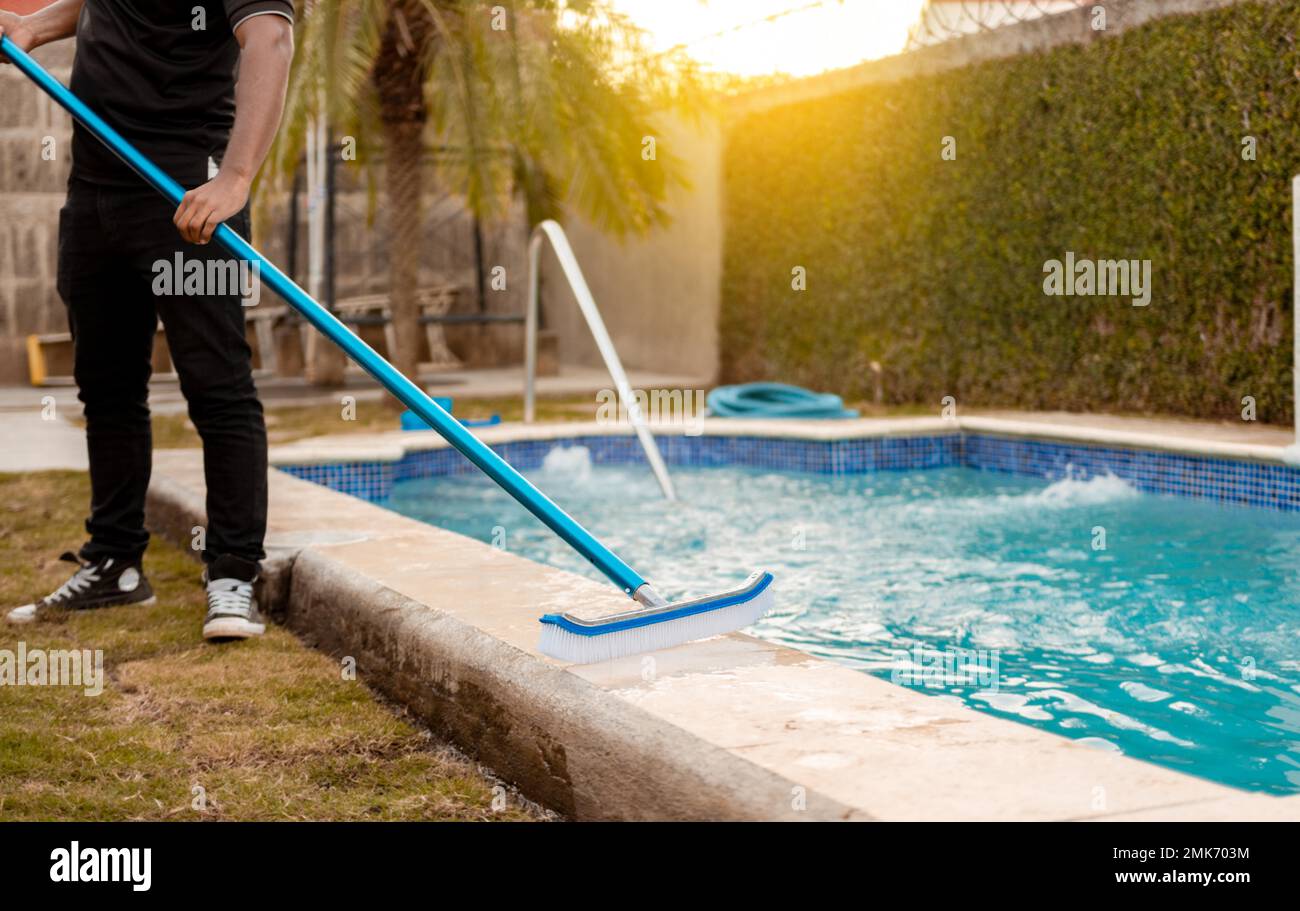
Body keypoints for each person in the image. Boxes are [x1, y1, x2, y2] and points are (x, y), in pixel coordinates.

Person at [1, 0, 294, 640]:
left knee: (217, 389)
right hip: (95, 194)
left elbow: (268, 40)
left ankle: (233, 576)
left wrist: (237, 178)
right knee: (106, 392)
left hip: (189, 196)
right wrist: (34, 27)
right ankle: (115, 565)